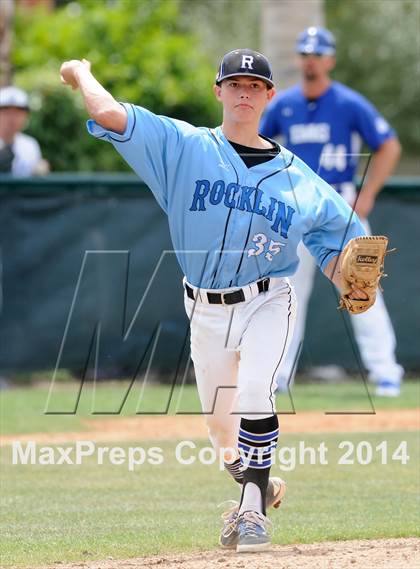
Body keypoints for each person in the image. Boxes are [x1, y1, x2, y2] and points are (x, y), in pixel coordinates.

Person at [60, 49, 367, 553]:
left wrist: (348, 283)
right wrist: (82, 72)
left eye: (255, 85)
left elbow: (338, 249)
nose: (244, 93)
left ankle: (251, 514)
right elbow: (108, 114)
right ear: (218, 91)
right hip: (203, 307)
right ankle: (256, 480)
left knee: (255, 393)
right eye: (235, 84)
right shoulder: (183, 147)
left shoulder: (300, 179)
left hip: (270, 298)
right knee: (225, 438)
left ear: (269, 96)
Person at [260, 27, 403, 397]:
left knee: (363, 286)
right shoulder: (285, 104)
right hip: (298, 206)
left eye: (318, 54)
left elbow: (388, 146)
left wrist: (367, 192)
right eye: (306, 53)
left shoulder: (348, 103)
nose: (311, 60)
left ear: (330, 60)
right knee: (287, 292)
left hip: (340, 206)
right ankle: (277, 374)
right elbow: (255, 144)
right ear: (298, 59)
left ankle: (386, 371)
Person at [0, 86, 49, 177]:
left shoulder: (30, 145)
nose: (12, 118)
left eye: (18, 112)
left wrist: (39, 172)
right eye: (6, 111)